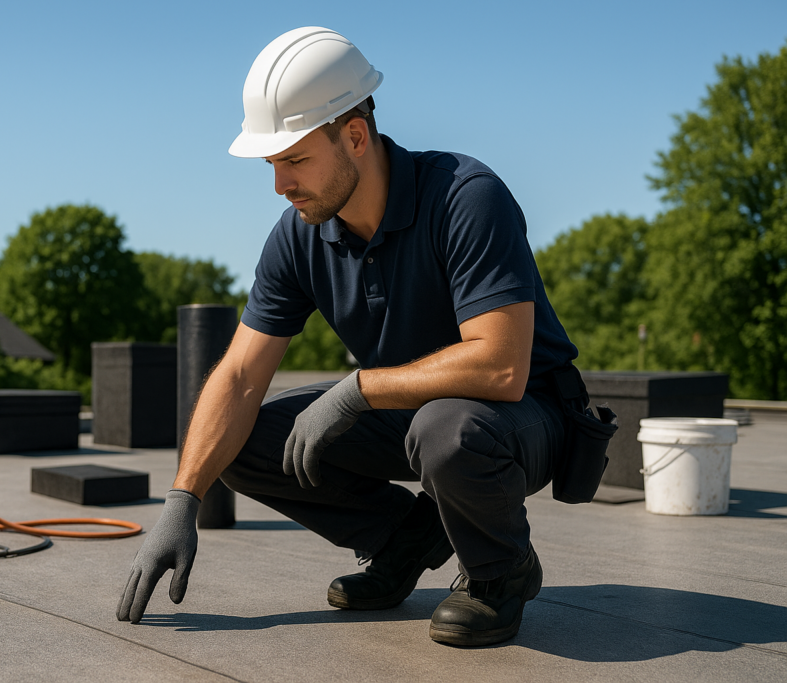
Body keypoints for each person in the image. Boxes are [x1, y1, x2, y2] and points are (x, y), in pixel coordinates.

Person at [116, 26, 580, 647]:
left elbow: (501, 366)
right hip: (409, 415)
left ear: (355, 136)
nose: (280, 184)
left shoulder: (466, 198)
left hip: (522, 419)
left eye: (295, 160)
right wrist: (184, 498)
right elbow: (238, 376)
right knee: (241, 437)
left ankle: (501, 572)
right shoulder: (299, 235)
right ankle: (402, 538)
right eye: (272, 164)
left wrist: (357, 389)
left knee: (445, 429)